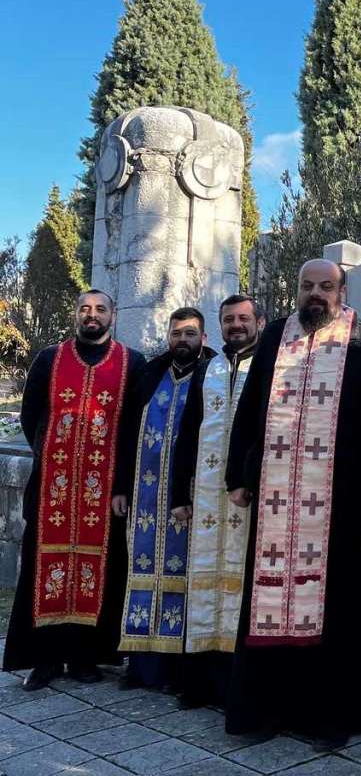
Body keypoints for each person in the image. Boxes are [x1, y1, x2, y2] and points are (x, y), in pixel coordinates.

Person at [224, 258, 361, 744]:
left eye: (326, 286)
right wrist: (239, 475)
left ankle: (331, 718)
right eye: (306, 285)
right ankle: (264, 712)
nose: (315, 294)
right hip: (277, 499)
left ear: (343, 290)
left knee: (337, 608)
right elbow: (250, 407)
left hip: (338, 505)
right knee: (269, 602)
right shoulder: (275, 335)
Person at [2, 289, 146, 690]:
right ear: (77, 315)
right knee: (43, 569)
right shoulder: (50, 358)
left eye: (100, 309)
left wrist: (120, 485)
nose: (92, 315)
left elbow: (133, 427)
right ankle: (44, 659)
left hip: (103, 493)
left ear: (112, 316)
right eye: (85, 309)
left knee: (99, 569)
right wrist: (54, 456)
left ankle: (87, 657)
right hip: (54, 488)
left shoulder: (131, 362)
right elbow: (31, 416)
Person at [170, 294, 265, 708]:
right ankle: (199, 682)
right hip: (207, 496)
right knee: (203, 581)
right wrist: (178, 493)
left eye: (244, 318)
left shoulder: (268, 365)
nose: (236, 325)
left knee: (243, 587)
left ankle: (235, 685)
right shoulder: (209, 367)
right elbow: (188, 430)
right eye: (229, 320)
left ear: (259, 322)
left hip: (246, 495)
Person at [115, 306, 214, 691]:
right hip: (143, 497)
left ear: (203, 338)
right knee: (140, 572)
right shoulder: (150, 373)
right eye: (177, 334)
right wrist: (120, 487)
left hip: (187, 498)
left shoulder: (214, 374)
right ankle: (139, 666)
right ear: (168, 337)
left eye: (190, 334)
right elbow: (126, 434)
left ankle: (175, 670)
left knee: (182, 575)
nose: (183, 340)